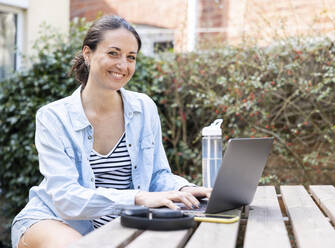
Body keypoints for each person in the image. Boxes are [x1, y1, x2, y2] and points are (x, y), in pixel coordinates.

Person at [11, 15, 211, 248]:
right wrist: (137, 198)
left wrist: (185, 189)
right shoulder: (53, 117)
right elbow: (65, 197)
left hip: (120, 225)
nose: (123, 65)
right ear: (88, 53)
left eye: (131, 57)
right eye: (113, 53)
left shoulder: (144, 108)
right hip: (54, 219)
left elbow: (156, 174)